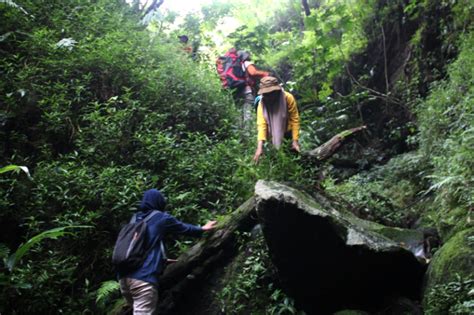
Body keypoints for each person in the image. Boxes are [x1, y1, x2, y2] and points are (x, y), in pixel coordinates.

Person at [118, 189, 217, 315]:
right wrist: (202, 228)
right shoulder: (160, 218)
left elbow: (138, 248)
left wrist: (161, 260)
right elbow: (184, 228)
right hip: (143, 279)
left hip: (124, 279)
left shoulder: (135, 219)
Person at [253, 76, 301, 163]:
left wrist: (295, 141)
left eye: (270, 93)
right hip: (271, 136)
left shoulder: (288, 98)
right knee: (275, 161)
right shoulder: (262, 103)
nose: (268, 97)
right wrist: (260, 147)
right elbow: (262, 125)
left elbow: (294, 120)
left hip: (287, 134)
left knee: (292, 160)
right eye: (266, 94)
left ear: (276, 91)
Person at [236, 50, 269, 125]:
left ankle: (239, 132)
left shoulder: (237, 66)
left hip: (237, 91)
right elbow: (253, 72)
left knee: (239, 112)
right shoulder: (246, 63)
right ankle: (248, 133)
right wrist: (265, 73)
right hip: (247, 91)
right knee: (248, 111)